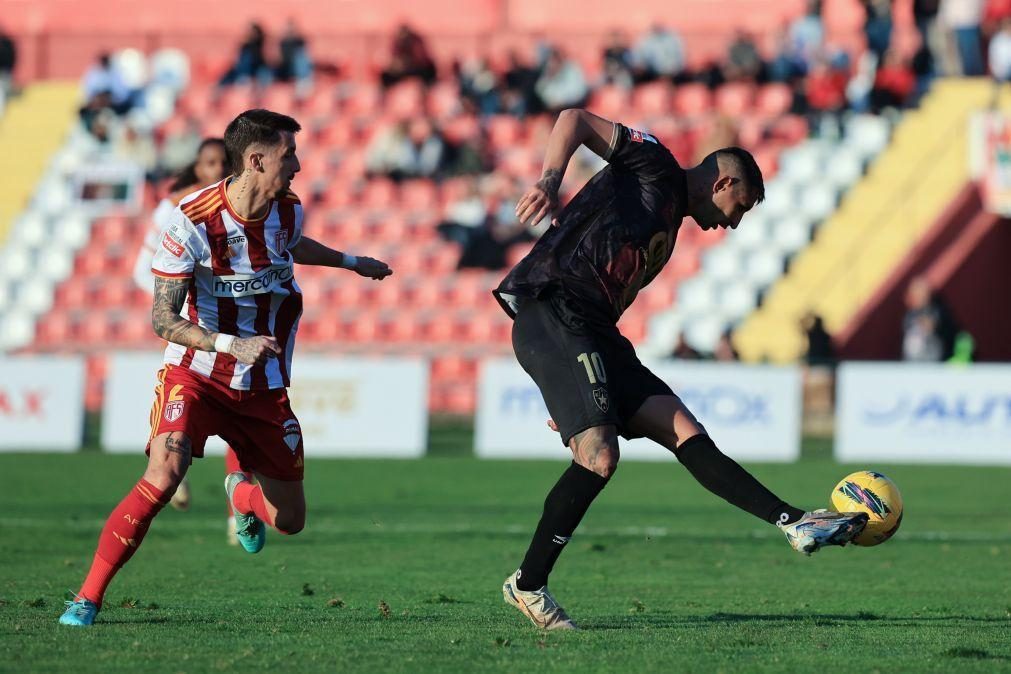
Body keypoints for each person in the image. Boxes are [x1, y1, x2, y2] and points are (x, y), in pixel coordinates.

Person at [494, 108, 868, 630]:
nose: (733, 224)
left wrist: (579, 391)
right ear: (724, 180)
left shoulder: (668, 223)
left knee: (685, 430)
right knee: (600, 456)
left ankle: (794, 521)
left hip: (597, 334)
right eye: (739, 208)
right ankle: (529, 586)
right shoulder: (654, 164)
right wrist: (550, 181)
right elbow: (573, 119)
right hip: (554, 308)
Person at [59, 109, 393, 627]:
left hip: (263, 385)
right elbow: (162, 318)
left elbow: (292, 245)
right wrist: (226, 345)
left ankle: (239, 493)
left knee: (291, 522)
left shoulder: (288, 209)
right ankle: (87, 598)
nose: (299, 165)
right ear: (256, 160)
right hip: (196, 374)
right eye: (289, 155)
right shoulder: (190, 219)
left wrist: (351, 263)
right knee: (164, 476)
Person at [132, 137, 250, 539]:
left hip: (230, 325)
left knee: (238, 415)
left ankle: (237, 514)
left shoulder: (243, 207)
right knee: (183, 406)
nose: (217, 170)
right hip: (187, 325)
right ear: (198, 168)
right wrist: (173, 301)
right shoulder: (174, 209)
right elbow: (143, 266)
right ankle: (171, 470)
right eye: (210, 163)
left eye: (223, 162)